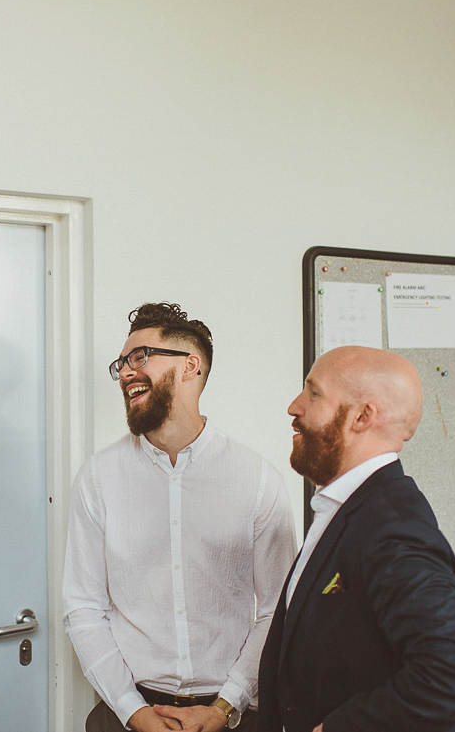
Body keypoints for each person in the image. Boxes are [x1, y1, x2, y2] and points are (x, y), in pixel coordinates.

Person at [64, 303, 296, 732]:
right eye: (122, 364)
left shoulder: (257, 478)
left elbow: (275, 610)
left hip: (235, 715)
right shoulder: (99, 477)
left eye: (141, 357)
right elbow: (83, 608)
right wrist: (133, 712)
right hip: (127, 712)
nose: (127, 372)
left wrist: (226, 706)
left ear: (190, 366)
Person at [257, 346, 455, 732]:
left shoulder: (394, 529)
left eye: (313, 393)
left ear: (363, 417)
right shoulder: (347, 507)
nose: (294, 407)